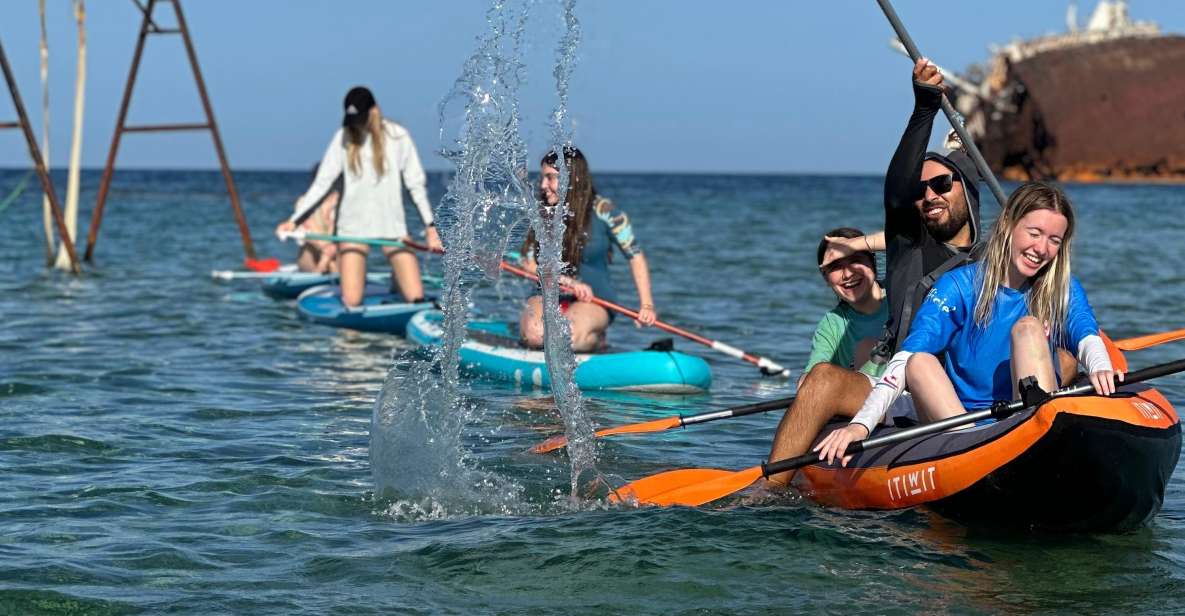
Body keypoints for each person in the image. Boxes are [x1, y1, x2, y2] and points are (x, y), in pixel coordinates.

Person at [765, 58, 990, 485]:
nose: (930, 196)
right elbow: (897, 192)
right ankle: (768, 491)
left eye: (942, 185)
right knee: (823, 378)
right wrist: (925, 107)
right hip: (904, 390)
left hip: (975, 389)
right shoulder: (911, 245)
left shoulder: (994, 257)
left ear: (968, 191)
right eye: (922, 191)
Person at [815, 181, 1120, 465]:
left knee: (1028, 328)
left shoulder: (1060, 287)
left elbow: (1084, 331)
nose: (1042, 249)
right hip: (960, 425)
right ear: (1008, 226)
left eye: (1054, 240)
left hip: (1026, 423)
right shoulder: (959, 285)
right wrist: (860, 425)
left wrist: (1100, 366)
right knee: (919, 361)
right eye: (1034, 233)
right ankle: (975, 450)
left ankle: (1038, 438)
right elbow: (905, 359)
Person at [276, 86, 442, 306]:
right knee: (352, 301)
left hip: (391, 226)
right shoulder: (342, 138)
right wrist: (293, 220)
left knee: (415, 298)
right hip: (353, 229)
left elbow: (416, 185)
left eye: (361, 118)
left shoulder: (398, 136)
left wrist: (430, 227)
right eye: (353, 119)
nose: (357, 124)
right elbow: (321, 184)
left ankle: (400, 288)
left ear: (374, 111)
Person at [518, 146, 656, 352]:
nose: (543, 185)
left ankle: (595, 339)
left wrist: (646, 305)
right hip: (546, 295)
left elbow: (635, 255)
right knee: (536, 334)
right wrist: (566, 282)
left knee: (566, 337)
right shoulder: (540, 213)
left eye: (550, 178)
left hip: (594, 300)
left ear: (572, 179)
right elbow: (528, 264)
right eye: (543, 178)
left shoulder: (605, 211)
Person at [800, 227, 889, 388]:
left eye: (855, 260)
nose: (847, 274)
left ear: (873, 262)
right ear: (826, 278)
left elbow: (918, 241)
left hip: (910, 396)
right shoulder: (832, 323)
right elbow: (812, 375)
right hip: (862, 403)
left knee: (867, 347)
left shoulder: (903, 293)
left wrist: (863, 243)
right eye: (835, 266)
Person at [293, 165, 342, 274]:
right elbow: (306, 231)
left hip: (335, 255)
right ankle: (326, 267)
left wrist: (326, 257)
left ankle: (326, 266)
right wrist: (326, 251)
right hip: (313, 256)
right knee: (312, 246)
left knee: (336, 251)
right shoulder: (304, 203)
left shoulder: (343, 204)